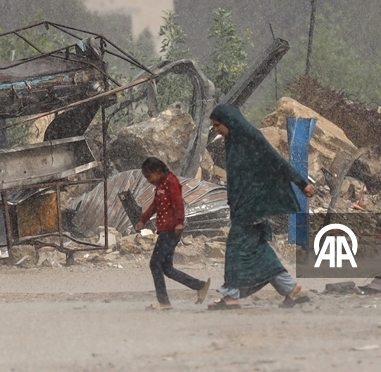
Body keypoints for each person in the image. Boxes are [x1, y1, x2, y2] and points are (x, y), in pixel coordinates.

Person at [207, 104, 316, 310]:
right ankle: (291, 288)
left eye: (217, 125)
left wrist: (302, 183)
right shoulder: (233, 141)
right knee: (258, 249)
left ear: (229, 122)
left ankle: (231, 296)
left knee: (235, 248)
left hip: (254, 205)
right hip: (243, 205)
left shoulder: (252, 138)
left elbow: (277, 161)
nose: (216, 130)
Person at [135, 157, 211, 310]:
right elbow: (155, 205)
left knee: (155, 263)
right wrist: (142, 220)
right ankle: (199, 285)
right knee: (166, 268)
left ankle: (163, 302)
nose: (148, 181)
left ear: (157, 171)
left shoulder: (171, 181)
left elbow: (178, 202)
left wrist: (179, 222)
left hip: (171, 230)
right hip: (165, 229)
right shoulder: (161, 185)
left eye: (149, 176)